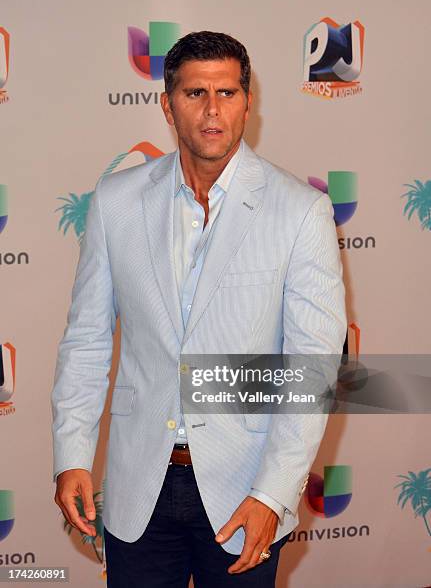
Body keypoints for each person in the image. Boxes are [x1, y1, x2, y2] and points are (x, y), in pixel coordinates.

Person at [51, 31, 346, 587]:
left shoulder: (301, 211)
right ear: (167, 104)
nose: (213, 111)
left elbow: (312, 370)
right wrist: (71, 454)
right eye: (195, 94)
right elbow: (86, 339)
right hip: (140, 488)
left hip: (246, 490)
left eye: (228, 93)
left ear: (248, 102)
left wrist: (274, 493)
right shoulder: (116, 202)